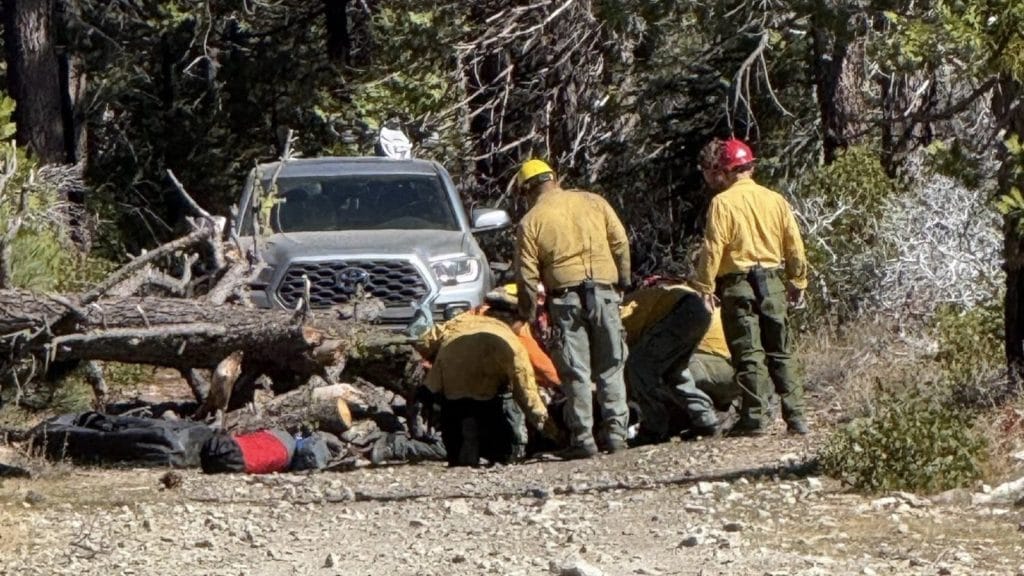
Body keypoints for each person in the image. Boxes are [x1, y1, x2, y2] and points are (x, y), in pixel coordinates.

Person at [691, 137, 810, 435]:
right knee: (781, 350)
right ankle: (796, 418)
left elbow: (713, 247)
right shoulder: (775, 199)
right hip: (772, 281)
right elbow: (794, 244)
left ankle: (754, 419)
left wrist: (704, 286)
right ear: (749, 166)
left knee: (748, 352)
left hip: (737, 284)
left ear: (726, 170)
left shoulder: (722, 203)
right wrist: (798, 280)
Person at [514, 159, 631, 458]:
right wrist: (624, 283)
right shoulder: (594, 202)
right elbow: (620, 242)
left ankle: (583, 439)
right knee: (611, 365)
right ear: (554, 178)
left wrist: (526, 315)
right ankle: (617, 435)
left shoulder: (531, 221)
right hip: (605, 293)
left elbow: (526, 277)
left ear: (527, 190)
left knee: (576, 371)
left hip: (565, 300)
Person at [413, 312, 560, 467]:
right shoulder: (511, 341)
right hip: (487, 391)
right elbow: (526, 390)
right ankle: (496, 454)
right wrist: (548, 428)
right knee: (494, 420)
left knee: (453, 417)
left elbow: (425, 340)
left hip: (451, 379)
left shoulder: (460, 321)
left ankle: (457, 456)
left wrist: (434, 358)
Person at [620, 278, 713, 443]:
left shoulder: (621, 314)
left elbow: (629, 363)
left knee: (639, 365)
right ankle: (705, 419)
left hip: (680, 311)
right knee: (674, 369)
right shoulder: (636, 301)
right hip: (698, 311)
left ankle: (655, 427)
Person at [676, 308, 741, 434]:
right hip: (742, 377)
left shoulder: (690, 312)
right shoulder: (725, 311)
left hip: (717, 371)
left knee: (670, 368)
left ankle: (705, 420)